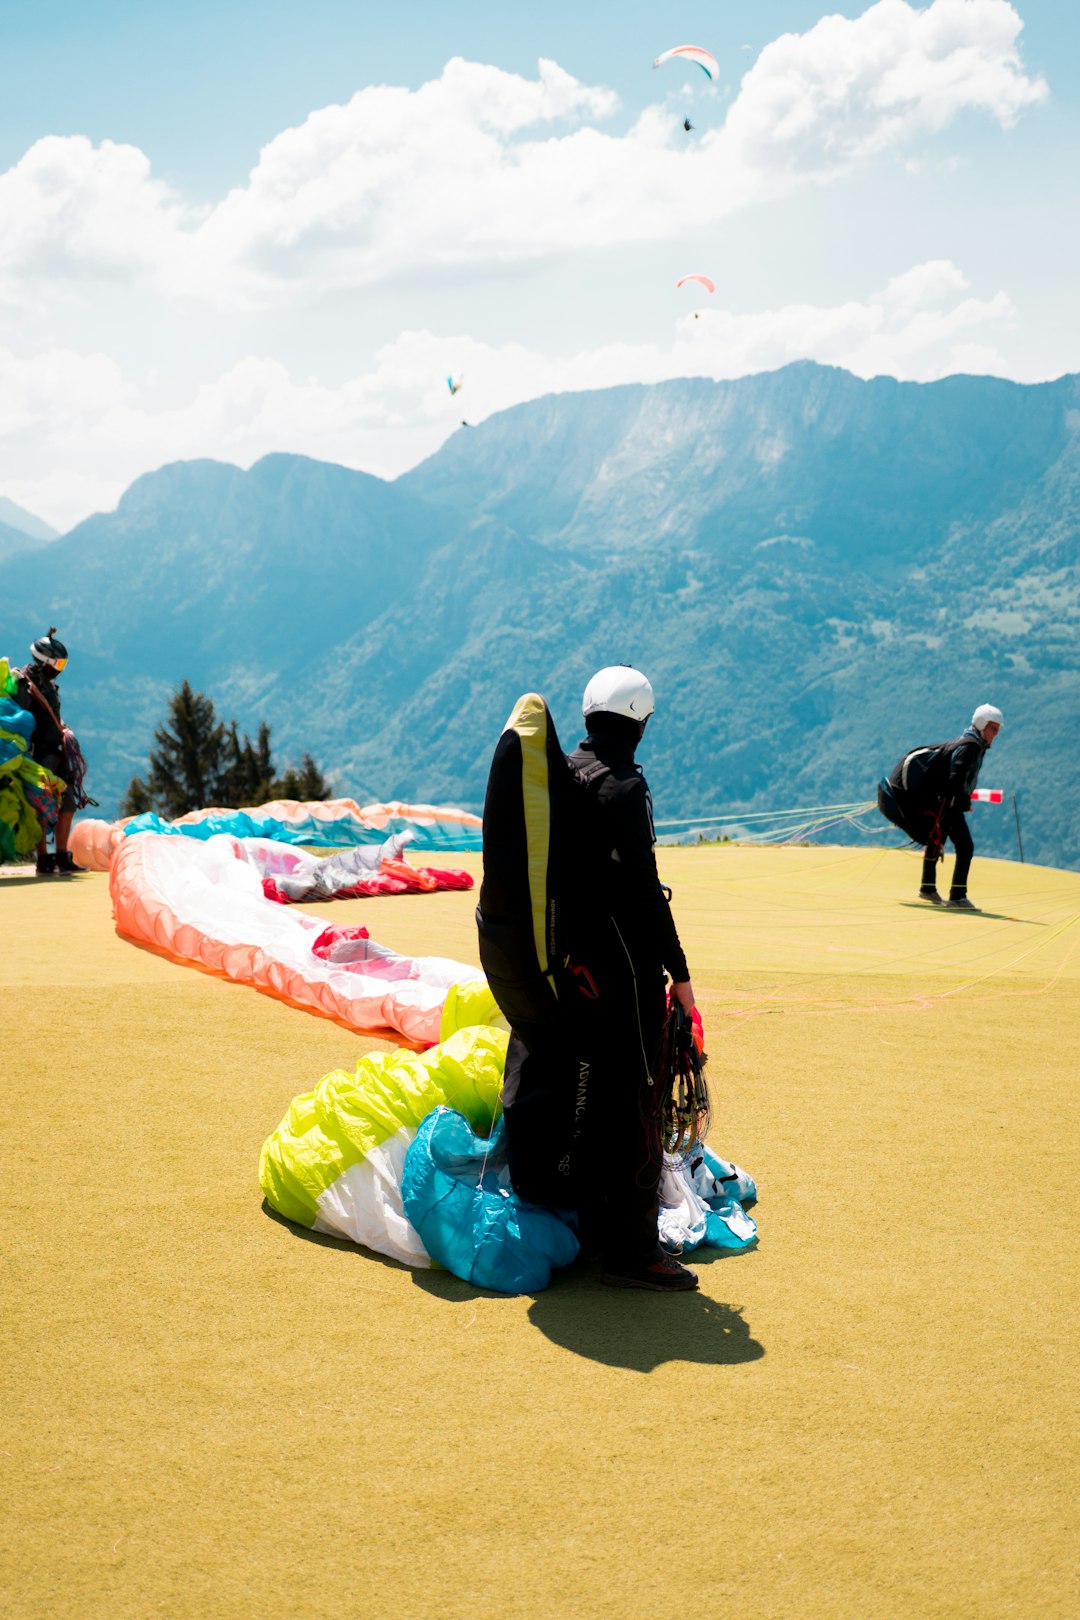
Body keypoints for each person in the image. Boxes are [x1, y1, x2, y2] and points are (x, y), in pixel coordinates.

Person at [499, 665, 700, 1292]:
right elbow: (643, 894)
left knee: (595, 1093)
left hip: (567, 974)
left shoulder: (563, 774)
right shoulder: (623, 788)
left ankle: (593, 1220)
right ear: (640, 721)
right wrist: (682, 977)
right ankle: (634, 1253)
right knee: (637, 1102)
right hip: (620, 975)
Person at [918, 703, 1003, 911]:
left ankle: (927, 887)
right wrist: (962, 798)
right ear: (982, 725)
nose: (996, 734)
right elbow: (957, 774)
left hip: (943, 802)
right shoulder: (971, 746)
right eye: (993, 728)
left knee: (936, 841)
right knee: (965, 846)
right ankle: (957, 896)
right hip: (950, 804)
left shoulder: (969, 742)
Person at [15, 629, 86, 876]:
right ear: (44, 661)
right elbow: (22, 719)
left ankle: (62, 856)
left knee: (68, 804)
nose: (60, 668)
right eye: (58, 663)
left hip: (57, 751)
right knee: (41, 804)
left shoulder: (48, 685)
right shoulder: (25, 684)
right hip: (39, 754)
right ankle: (44, 858)